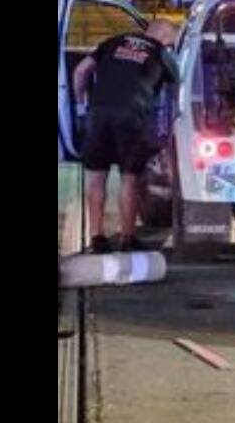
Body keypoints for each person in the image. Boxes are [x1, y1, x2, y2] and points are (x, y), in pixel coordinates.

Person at [72, 20, 180, 253]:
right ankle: (127, 238)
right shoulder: (161, 52)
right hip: (132, 116)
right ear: (164, 38)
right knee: (128, 178)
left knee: (96, 176)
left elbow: (81, 70)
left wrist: (80, 106)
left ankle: (97, 239)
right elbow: (178, 87)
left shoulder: (112, 42)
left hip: (98, 114)